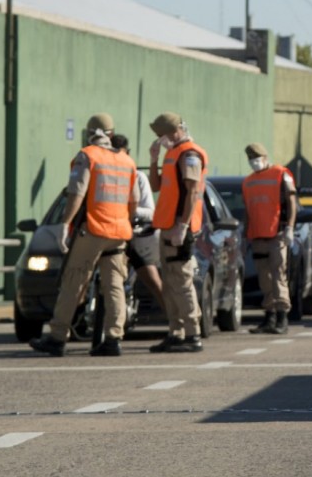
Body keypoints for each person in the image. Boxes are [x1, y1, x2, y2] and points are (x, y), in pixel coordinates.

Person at [30, 113, 138, 357]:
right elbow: (134, 201)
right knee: (114, 286)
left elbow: (76, 192)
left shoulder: (87, 156)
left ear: (90, 133)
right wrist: (124, 222)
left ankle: (57, 337)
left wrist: (65, 224)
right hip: (119, 232)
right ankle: (113, 339)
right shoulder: (126, 161)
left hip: (94, 230)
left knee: (74, 280)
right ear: (111, 133)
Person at [147, 112, 208, 353]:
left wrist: (183, 226)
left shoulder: (190, 154)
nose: (160, 139)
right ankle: (176, 332)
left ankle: (192, 333)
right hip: (167, 227)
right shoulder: (172, 154)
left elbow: (192, 192)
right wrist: (153, 159)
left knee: (182, 282)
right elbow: (155, 186)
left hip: (179, 227)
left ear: (174, 132)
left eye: (162, 135)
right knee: (170, 283)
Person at [241, 142, 297, 335]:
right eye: (250, 159)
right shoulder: (248, 181)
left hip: (277, 234)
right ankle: (269, 316)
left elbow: (291, 202)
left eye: (255, 158)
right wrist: (245, 236)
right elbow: (248, 211)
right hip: (258, 236)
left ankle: (282, 317)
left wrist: (290, 227)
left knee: (278, 275)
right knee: (264, 278)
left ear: (265, 158)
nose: (253, 162)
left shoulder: (281, 174)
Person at [112, 133, 164, 318]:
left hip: (132, 235)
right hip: (107, 235)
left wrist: (128, 214)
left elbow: (150, 211)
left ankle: (174, 320)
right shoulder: (102, 174)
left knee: (152, 279)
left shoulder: (138, 177)